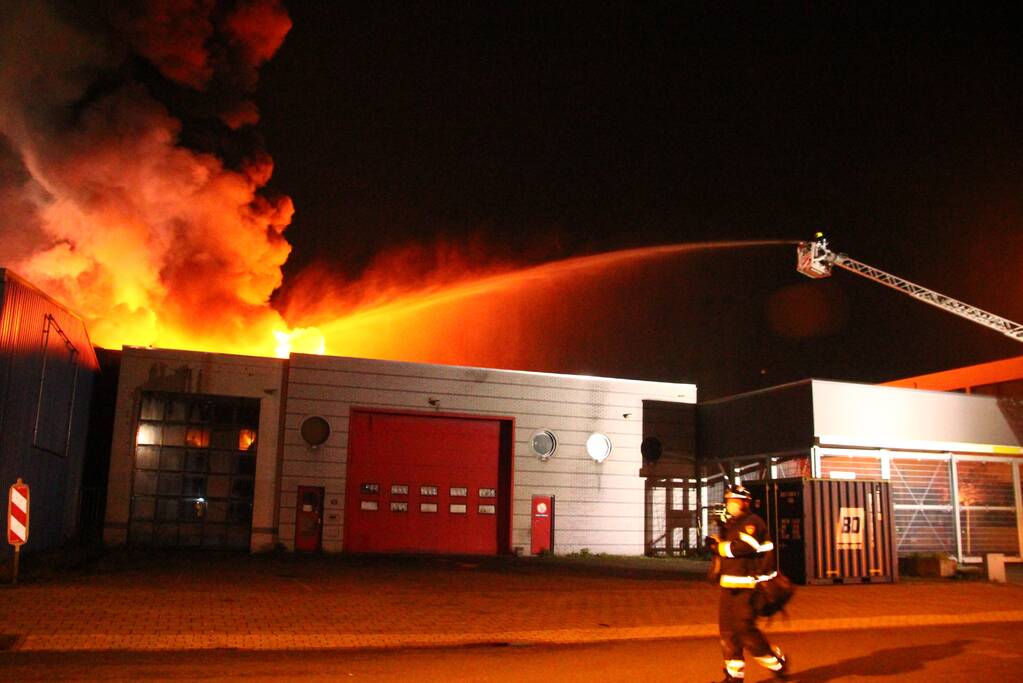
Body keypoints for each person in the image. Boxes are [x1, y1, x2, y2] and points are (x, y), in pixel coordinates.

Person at [706, 484, 788, 682]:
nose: (729, 505)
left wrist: (720, 547)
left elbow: (745, 547)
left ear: (745, 503)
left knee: (745, 631)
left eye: (733, 501)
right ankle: (734, 676)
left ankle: (777, 663)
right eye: (728, 501)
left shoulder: (753, 522)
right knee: (727, 632)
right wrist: (717, 540)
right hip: (729, 587)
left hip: (748, 588)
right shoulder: (732, 524)